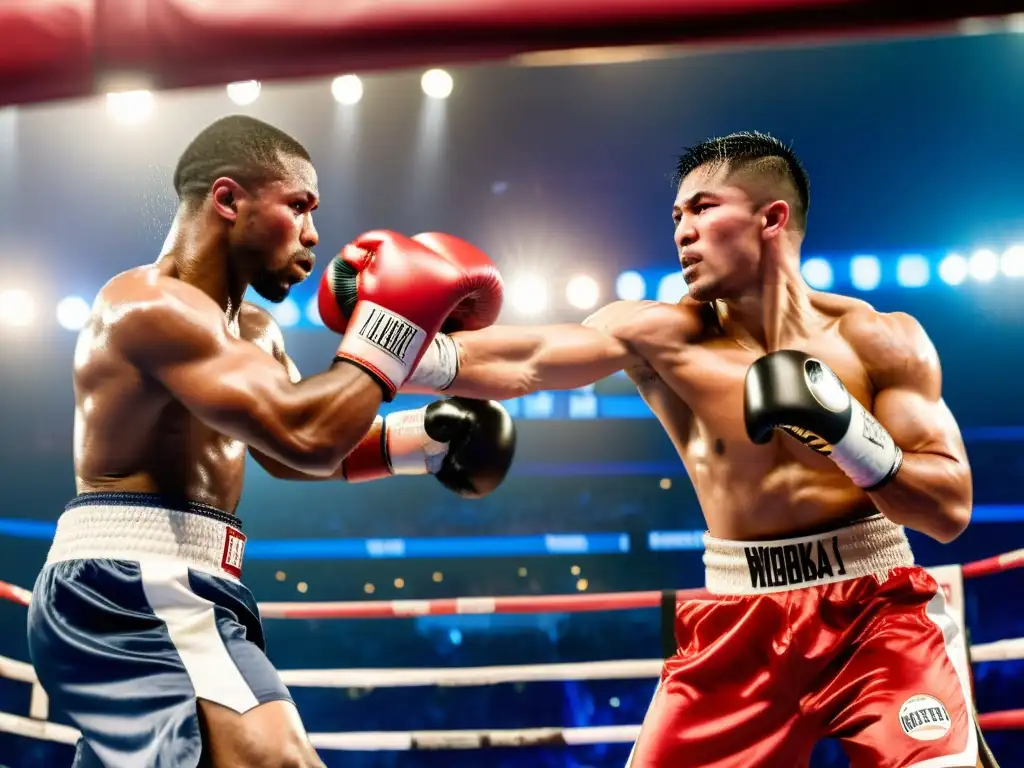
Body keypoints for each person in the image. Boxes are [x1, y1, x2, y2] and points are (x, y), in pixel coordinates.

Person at [405, 132, 988, 766]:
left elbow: (949, 511)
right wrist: (388, 337)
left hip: (875, 609)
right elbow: (525, 360)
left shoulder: (881, 339)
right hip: (737, 620)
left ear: (772, 217)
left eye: (704, 208)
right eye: (676, 216)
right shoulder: (661, 334)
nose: (682, 230)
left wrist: (849, 431)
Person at [26, 115, 515, 768]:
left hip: (184, 581)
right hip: (135, 581)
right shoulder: (148, 305)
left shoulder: (253, 330)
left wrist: (422, 440)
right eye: (299, 206)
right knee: (280, 760)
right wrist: (392, 328)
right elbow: (305, 433)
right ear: (228, 200)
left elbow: (292, 455)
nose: (315, 236)